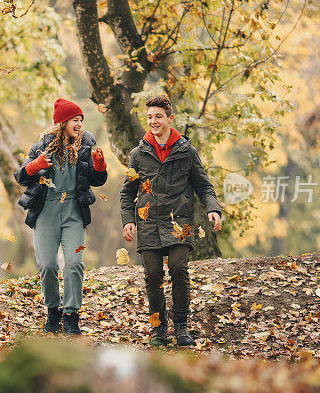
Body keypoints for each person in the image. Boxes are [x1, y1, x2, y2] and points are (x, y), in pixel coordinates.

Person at [120, 94, 223, 347]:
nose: (153, 122)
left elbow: (204, 186)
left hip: (179, 221)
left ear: (170, 119)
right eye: (149, 118)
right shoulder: (138, 154)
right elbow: (127, 192)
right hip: (149, 223)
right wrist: (128, 220)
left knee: (179, 268)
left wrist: (213, 209)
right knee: (153, 274)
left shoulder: (187, 151)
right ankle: (158, 329)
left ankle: (181, 327)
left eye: (158, 117)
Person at [14, 98, 108, 335]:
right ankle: (53, 310)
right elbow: (20, 176)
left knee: (74, 263)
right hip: (46, 211)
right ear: (63, 122)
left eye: (81, 120)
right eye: (75, 120)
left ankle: (71, 315)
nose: (79, 124)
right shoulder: (42, 146)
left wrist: (99, 165)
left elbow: (98, 180)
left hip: (74, 212)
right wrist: (34, 166)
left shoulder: (87, 144)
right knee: (47, 265)